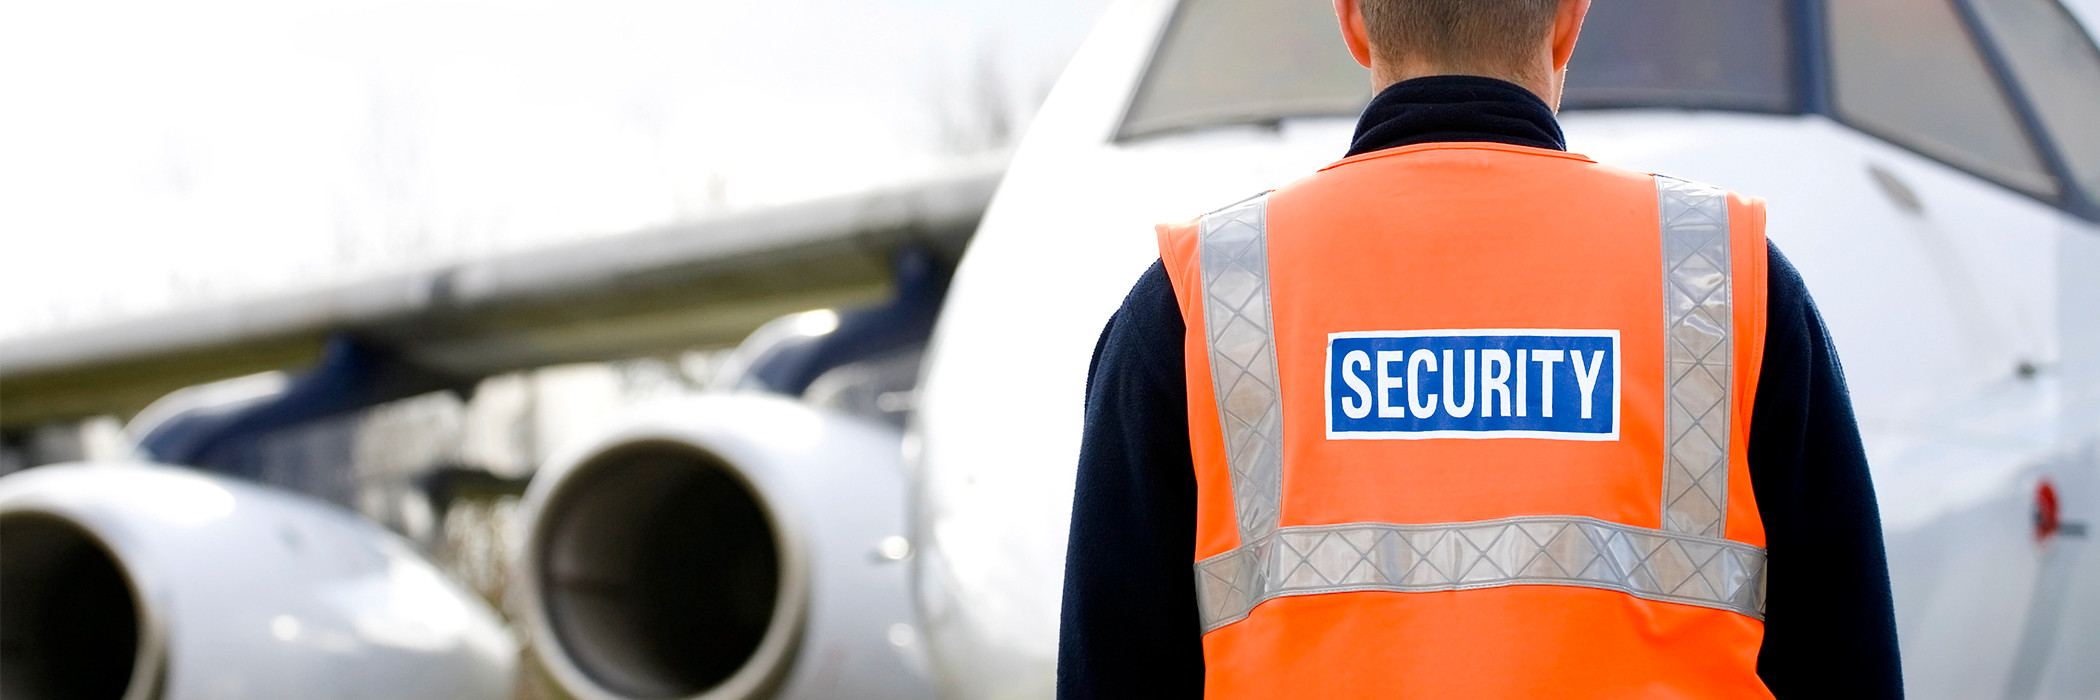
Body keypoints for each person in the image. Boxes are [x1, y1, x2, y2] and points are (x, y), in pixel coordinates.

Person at [1057, 0, 1902, 697]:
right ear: (1570, 19)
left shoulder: (1199, 301)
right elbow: (1849, 665)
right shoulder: (1723, 280)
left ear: (1353, 21)